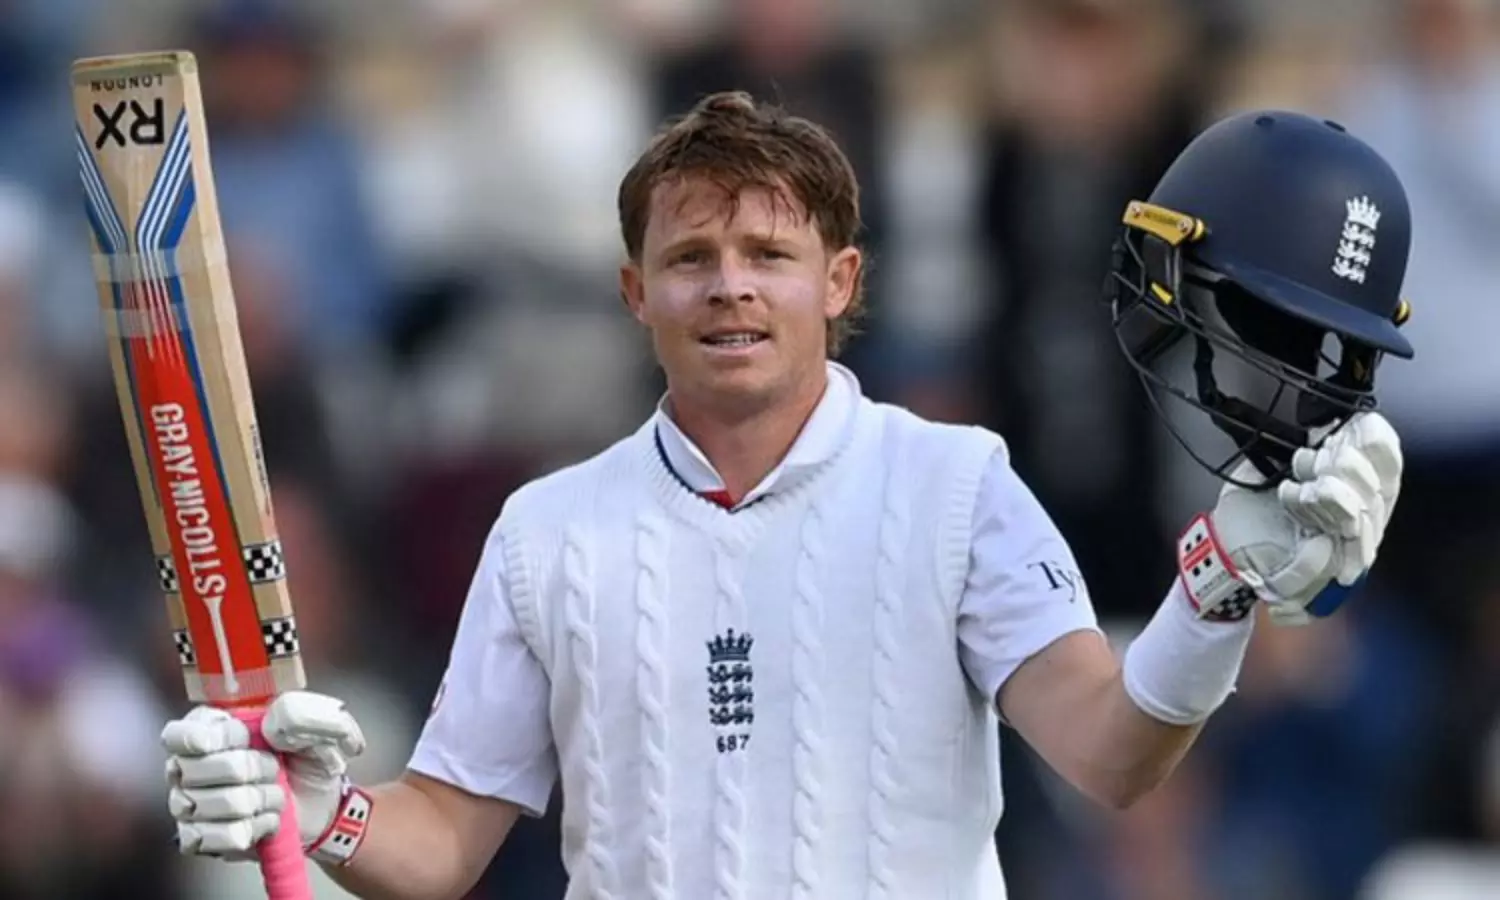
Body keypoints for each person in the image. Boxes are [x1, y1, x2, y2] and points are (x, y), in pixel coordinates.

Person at [159, 95, 1412, 898]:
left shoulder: (956, 484)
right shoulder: (548, 532)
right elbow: (441, 840)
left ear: (841, 281)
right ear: (634, 293)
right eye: (689, 258)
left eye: (769, 254)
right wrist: (325, 811)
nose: (731, 288)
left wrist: (1218, 590)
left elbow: (1114, 753)